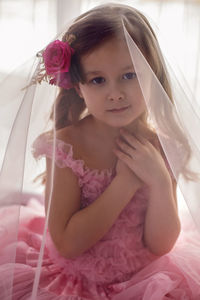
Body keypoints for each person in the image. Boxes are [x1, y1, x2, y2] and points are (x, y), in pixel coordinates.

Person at [0, 3, 200, 300]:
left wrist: (158, 180)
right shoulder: (67, 147)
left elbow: (160, 244)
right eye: (98, 80)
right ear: (78, 87)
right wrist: (126, 183)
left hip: (144, 281)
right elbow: (68, 243)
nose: (115, 92)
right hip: (74, 282)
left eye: (129, 75)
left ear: (152, 75)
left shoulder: (158, 145)